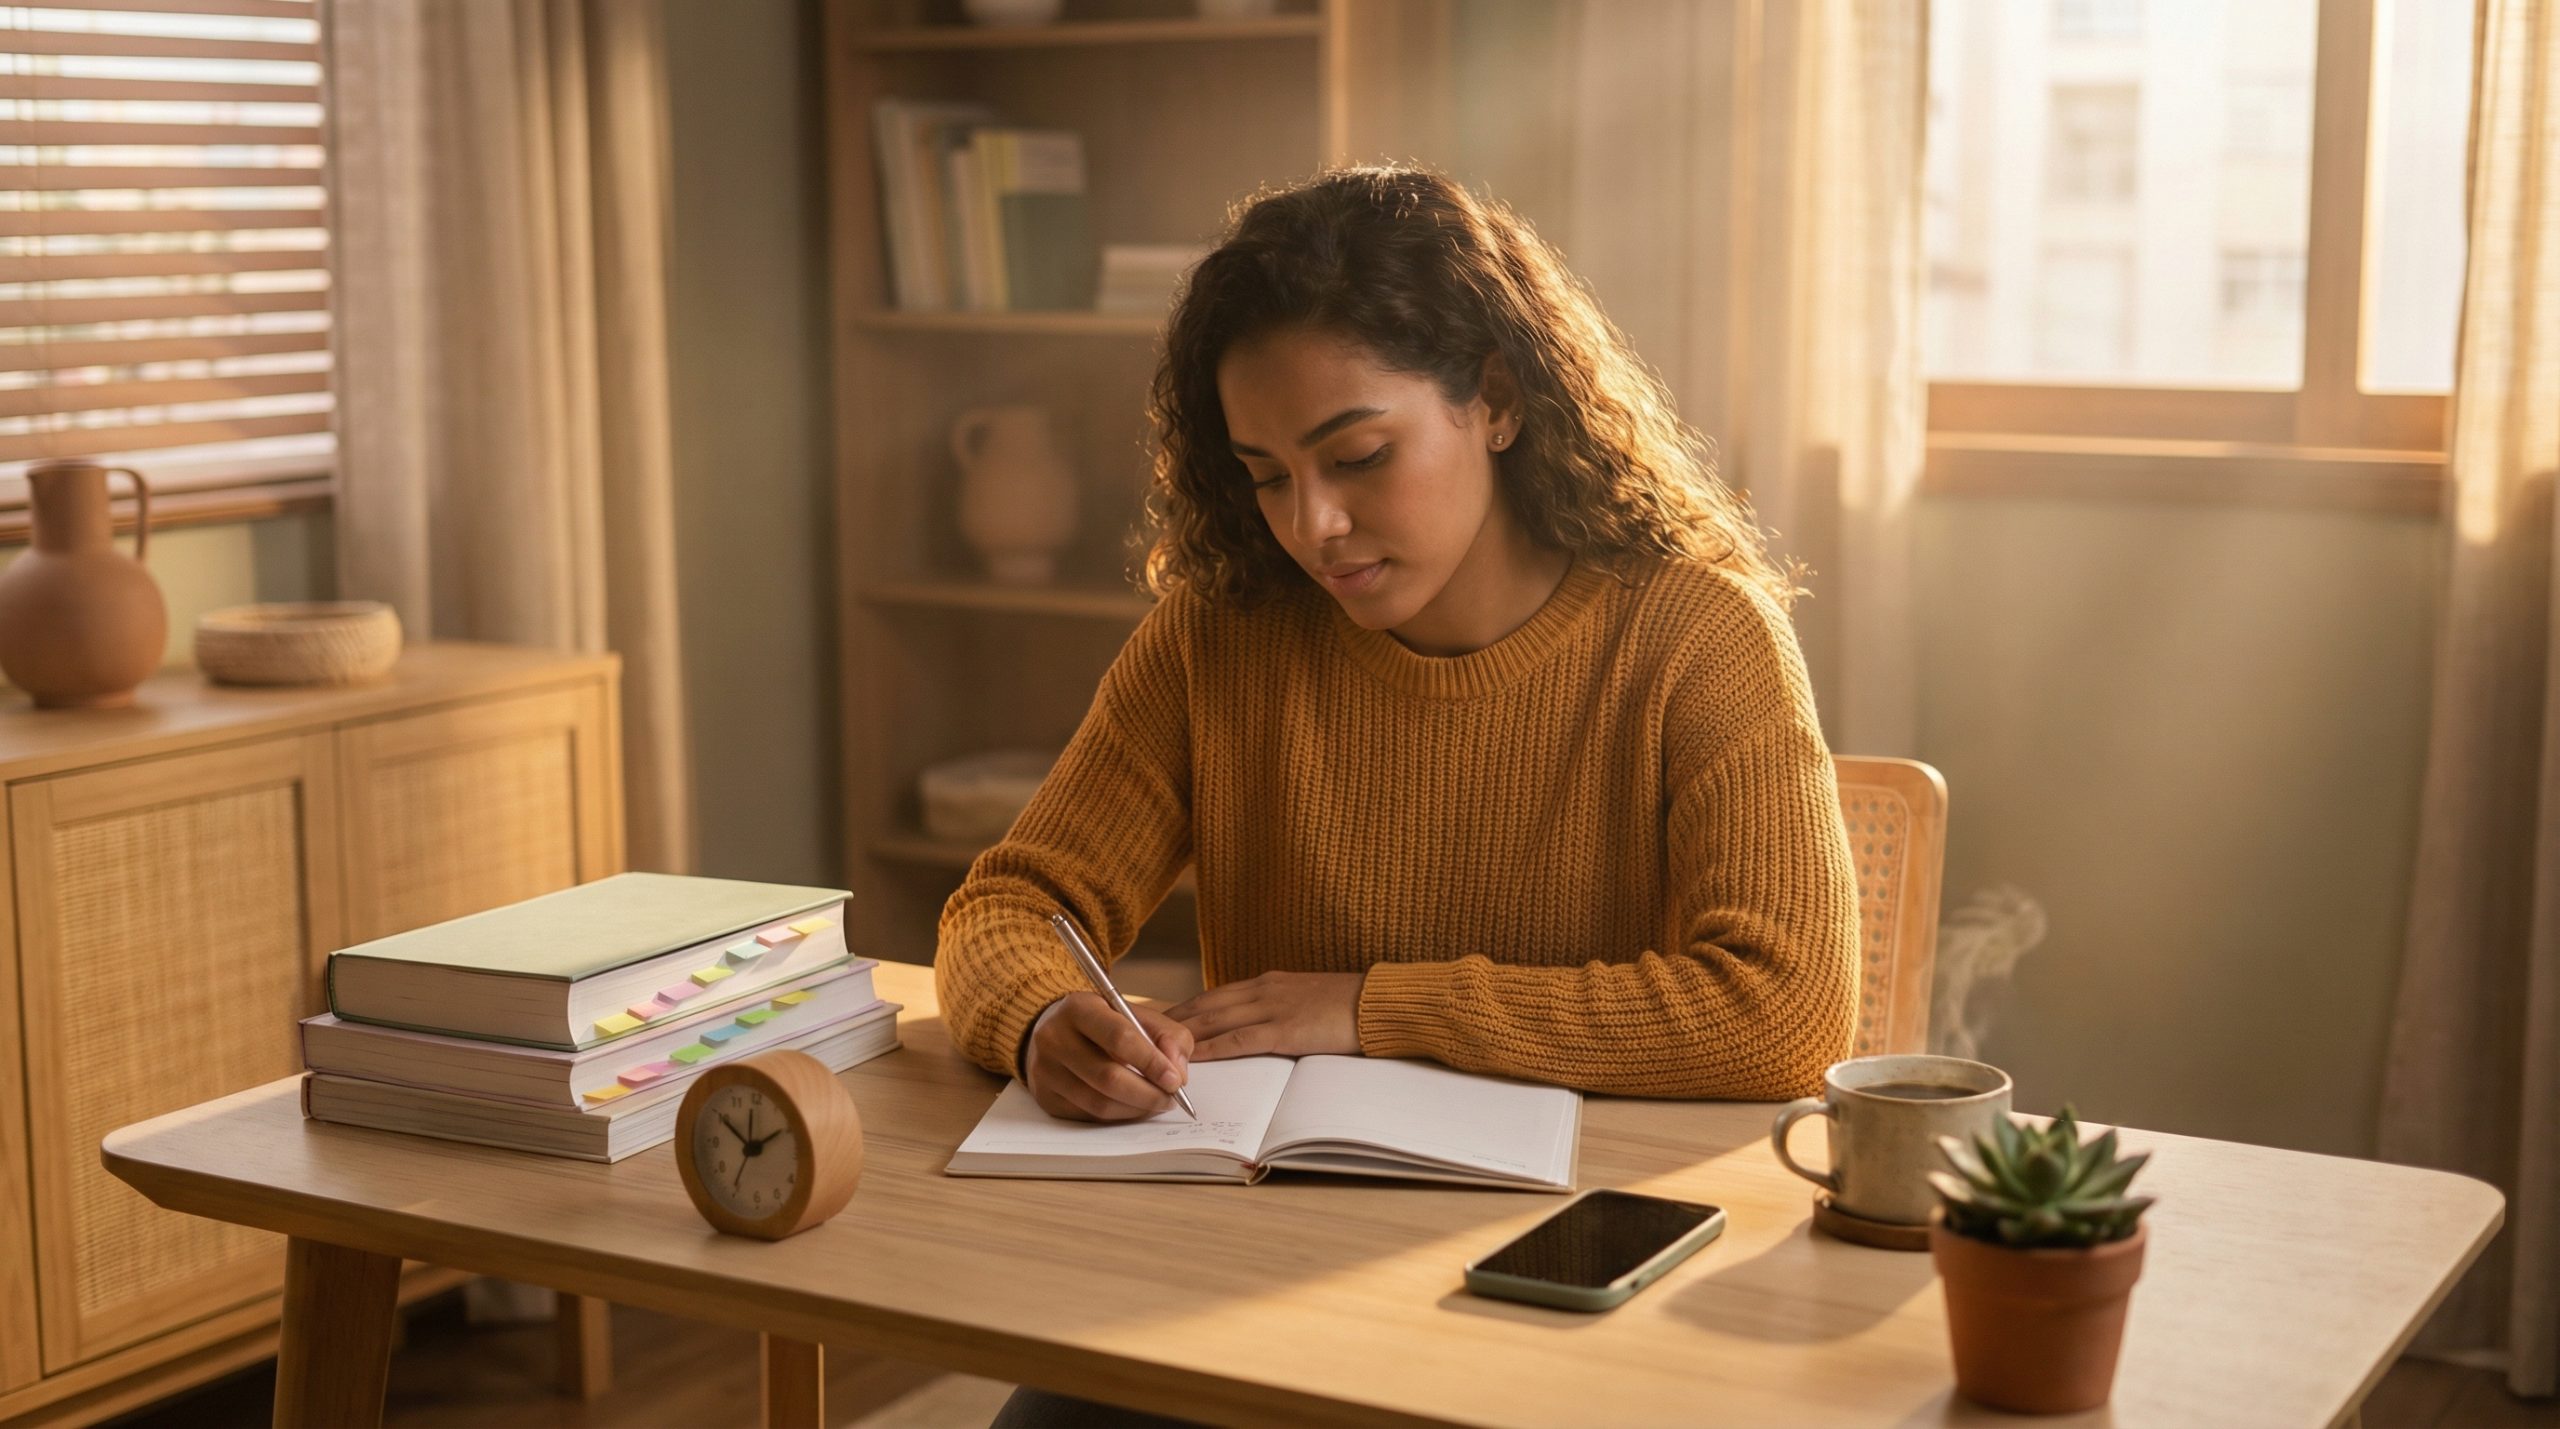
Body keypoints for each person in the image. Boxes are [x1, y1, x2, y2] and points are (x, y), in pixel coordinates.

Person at [948, 161, 1863, 1428]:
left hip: (1570, 1272)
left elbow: (1780, 1011)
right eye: (1264, 474)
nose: (1311, 523)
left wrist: (1372, 1009)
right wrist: (1047, 1021)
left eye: (1358, 455)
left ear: (1493, 397)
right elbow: (1011, 903)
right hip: (1247, 1272)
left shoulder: (1697, 637)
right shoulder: (1223, 635)